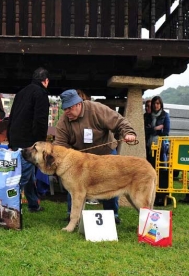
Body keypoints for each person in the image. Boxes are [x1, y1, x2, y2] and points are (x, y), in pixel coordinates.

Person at [55, 89, 137, 224]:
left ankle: (112, 215)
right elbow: (59, 145)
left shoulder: (97, 109)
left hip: (106, 154)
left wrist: (128, 132)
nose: (67, 112)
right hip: (80, 160)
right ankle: (72, 215)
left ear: (78, 104)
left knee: (111, 185)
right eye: (65, 109)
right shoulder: (64, 120)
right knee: (73, 185)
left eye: (69, 108)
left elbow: (119, 121)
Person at [7, 67, 50, 213]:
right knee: (20, 179)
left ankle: (33, 204)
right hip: (29, 144)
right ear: (46, 81)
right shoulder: (41, 94)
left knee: (29, 176)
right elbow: (40, 121)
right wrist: (40, 143)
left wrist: (10, 140)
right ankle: (9, 208)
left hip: (15, 140)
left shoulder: (21, 93)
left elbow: (11, 117)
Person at [147, 96, 171, 205]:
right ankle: (152, 194)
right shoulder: (147, 116)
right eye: (154, 103)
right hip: (148, 145)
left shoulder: (165, 115)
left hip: (160, 146)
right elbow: (145, 130)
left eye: (158, 103)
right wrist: (156, 128)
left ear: (161, 104)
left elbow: (166, 131)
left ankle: (161, 196)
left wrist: (155, 130)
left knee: (161, 170)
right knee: (150, 170)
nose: (156, 105)